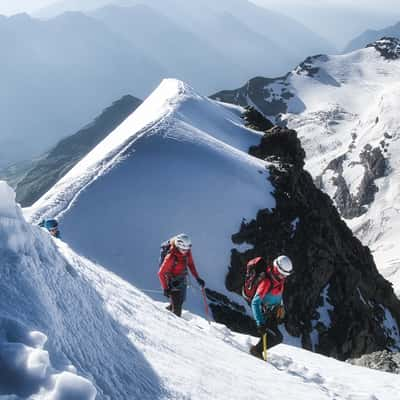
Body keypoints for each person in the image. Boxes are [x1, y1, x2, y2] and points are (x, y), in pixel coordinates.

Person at [249, 255, 293, 359]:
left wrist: (280, 306)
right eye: (283, 274)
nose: (284, 276)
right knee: (277, 337)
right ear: (277, 269)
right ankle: (256, 351)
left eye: (286, 274)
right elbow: (255, 303)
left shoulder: (278, 279)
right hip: (264, 314)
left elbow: (278, 294)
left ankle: (257, 350)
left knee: (275, 336)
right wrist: (260, 323)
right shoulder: (266, 282)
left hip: (272, 312)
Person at [158, 233, 205, 317]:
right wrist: (165, 288)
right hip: (172, 281)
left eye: (186, 249)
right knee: (177, 308)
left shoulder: (187, 252)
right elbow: (161, 273)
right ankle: (173, 323)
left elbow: (191, 264)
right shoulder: (171, 256)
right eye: (183, 249)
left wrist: (197, 278)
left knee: (181, 300)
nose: (185, 252)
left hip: (182, 278)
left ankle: (166, 315)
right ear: (178, 246)